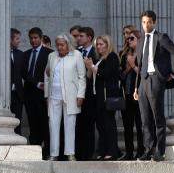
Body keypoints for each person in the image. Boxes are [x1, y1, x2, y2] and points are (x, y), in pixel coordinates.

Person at [134, 10, 174, 161]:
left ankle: (160, 151)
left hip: (156, 79)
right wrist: (136, 87)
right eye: (143, 22)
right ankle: (148, 149)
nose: (146, 25)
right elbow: (140, 63)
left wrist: (171, 73)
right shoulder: (141, 40)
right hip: (143, 81)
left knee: (158, 116)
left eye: (149, 22)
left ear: (154, 22)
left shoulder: (161, 37)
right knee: (145, 118)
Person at [44, 34, 86, 161]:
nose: (59, 47)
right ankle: (54, 154)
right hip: (54, 96)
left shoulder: (77, 55)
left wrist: (81, 95)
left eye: (62, 45)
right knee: (53, 125)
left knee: (70, 125)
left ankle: (70, 153)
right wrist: (46, 95)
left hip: (71, 96)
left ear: (68, 44)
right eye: (57, 45)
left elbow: (81, 77)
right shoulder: (51, 56)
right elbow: (46, 75)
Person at [89, 35, 122, 160]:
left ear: (108, 45)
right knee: (101, 125)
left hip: (107, 96)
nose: (99, 47)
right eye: (97, 44)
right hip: (98, 95)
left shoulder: (112, 57)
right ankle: (103, 150)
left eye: (101, 44)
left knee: (109, 124)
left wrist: (92, 67)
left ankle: (112, 151)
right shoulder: (99, 59)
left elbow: (106, 73)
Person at [22, 27, 52, 158]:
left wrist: (45, 85)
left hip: (43, 95)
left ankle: (47, 150)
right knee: (32, 123)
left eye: (36, 38)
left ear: (41, 38)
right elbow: (24, 73)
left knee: (44, 123)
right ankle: (35, 149)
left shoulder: (49, 53)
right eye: (31, 38)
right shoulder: (26, 54)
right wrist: (36, 83)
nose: (33, 41)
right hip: (30, 94)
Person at [119, 29, 144, 160]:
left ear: (139, 40)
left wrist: (134, 65)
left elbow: (144, 75)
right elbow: (121, 75)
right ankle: (129, 152)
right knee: (127, 125)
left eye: (132, 38)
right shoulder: (123, 55)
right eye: (127, 39)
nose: (129, 40)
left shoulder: (144, 54)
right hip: (127, 93)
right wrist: (129, 66)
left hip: (140, 93)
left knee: (140, 125)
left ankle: (141, 150)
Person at [75, 26, 97, 160]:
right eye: (77, 36)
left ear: (89, 38)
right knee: (78, 124)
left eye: (81, 36)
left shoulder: (96, 52)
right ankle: (78, 153)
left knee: (89, 125)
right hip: (76, 94)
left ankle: (88, 153)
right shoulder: (76, 52)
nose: (78, 38)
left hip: (90, 95)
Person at [10, 28, 25, 133]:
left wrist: (37, 83)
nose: (19, 41)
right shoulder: (0, 54)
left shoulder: (20, 54)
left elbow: (25, 73)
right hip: (4, 95)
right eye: (17, 38)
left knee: (18, 120)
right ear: (10, 39)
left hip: (18, 94)